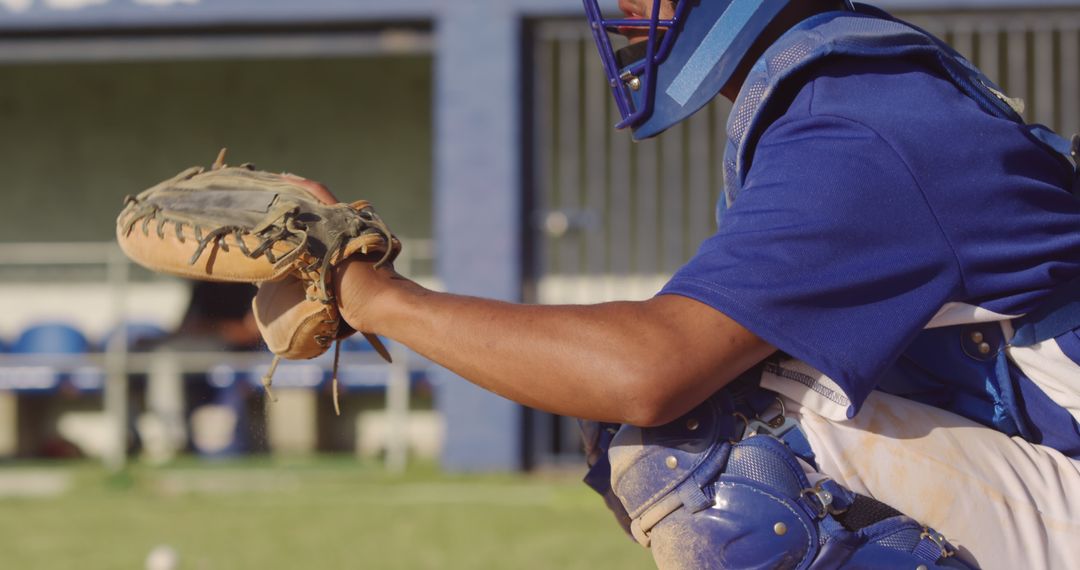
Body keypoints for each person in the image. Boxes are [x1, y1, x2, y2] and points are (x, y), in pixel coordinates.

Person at [301, 1, 1080, 568]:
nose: (623, 7)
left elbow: (646, 372)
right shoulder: (844, 88)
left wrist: (371, 295)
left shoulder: (858, 126)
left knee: (697, 434)